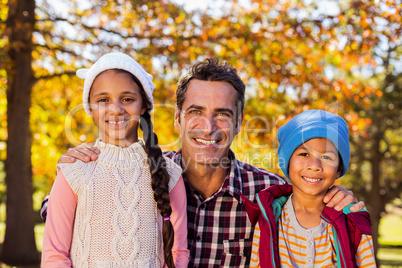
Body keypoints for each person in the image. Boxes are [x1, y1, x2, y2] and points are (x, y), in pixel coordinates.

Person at [41, 58, 365, 267]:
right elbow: (69, 209)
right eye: (195, 112)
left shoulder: (268, 195)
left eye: (222, 115)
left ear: (238, 123)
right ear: (177, 119)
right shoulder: (148, 172)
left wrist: (338, 200)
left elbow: (313, 217)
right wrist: (77, 165)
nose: (208, 127)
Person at [41, 52, 189, 267]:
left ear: (144, 105)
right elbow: (54, 255)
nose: (115, 109)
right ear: (90, 108)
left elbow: (178, 252)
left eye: (127, 99)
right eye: (103, 100)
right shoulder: (74, 170)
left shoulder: (169, 173)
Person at [242, 110, 376, 267]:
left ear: (339, 168)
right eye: (304, 154)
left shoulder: (353, 221)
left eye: (326, 157)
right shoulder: (269, 218)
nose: (314, 166)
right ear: (287, 162)